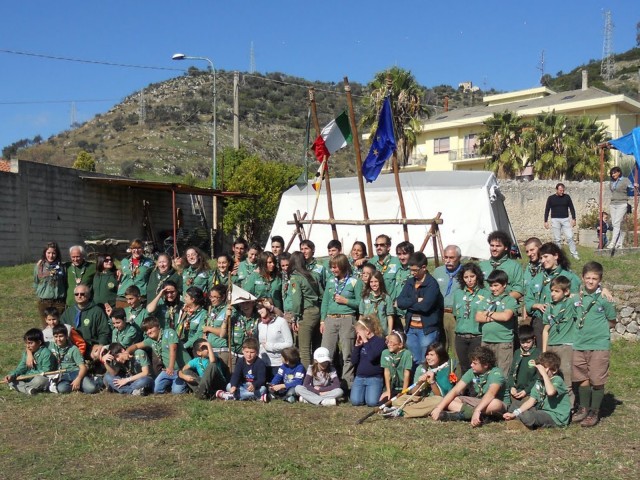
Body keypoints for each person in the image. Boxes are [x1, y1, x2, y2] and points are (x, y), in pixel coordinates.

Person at [571, 261, 616, 427]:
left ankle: (594, 411)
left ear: (600, 280)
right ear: (582, 278)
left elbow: (612, 320)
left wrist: (599, 333)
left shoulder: (605, 299)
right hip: (579, 344)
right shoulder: (576, 297)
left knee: (597, 378)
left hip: (598, 345)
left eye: (594, 278)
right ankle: (583, 408)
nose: (590, 281)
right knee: (581, 377)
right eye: (588, 278)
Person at [431, 346, 507, 427]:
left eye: (475, 363)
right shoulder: (472, 372)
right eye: (472, 362)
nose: (471, 365)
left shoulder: (496, 373)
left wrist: (477, 410)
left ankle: (464, 414)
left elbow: (491, 394)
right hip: (479, 402)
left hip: (493, 403)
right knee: (451, 400)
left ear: (485, 365)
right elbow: (456, 390)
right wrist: (439, 408)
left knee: (495, 404)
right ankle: (479, 415)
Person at [524, 242, 581, 348]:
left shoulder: (569, 276)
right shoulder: (537, 278)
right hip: (540, 322)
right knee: (544, 357)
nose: (543, 261)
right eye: (541, 258)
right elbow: (528, 301)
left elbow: (578, 296)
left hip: (562, 323)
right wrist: (537, 305)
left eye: (546, 256)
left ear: (556, 256)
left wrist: (603, 289)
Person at [320, 253, 363, 385]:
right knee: (326, 353)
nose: (333, 270)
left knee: (347, 355)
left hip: (347, 319)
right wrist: (322, 320)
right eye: (331, 268)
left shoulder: (355, 282)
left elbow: (360, 303)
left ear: (343, 266)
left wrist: (346, 301)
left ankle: (347, 385)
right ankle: (325, 382)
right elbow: (325, 302)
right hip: (330, 319)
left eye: (335, 267)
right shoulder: (330, 281)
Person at [396, 252, 443, 368]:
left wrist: (410, 302)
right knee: (414, 359)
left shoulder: (432, 284)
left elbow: (425, 306)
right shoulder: (410, 282)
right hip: (411, 328)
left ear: (424, 267)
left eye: (415, 270)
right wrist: (417, 300)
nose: (412, 273)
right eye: (411, 270)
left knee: (426, 360)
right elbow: (400, 302)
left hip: (427, 329)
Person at [503, 351, 570, 429]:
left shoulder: (558, 380)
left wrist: (544, 374)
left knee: (530, 415)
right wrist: (515, 413)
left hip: (555, 416)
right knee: (515, 405)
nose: (540, 372)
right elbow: (531, 401)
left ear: (554, 370)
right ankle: (520, 420)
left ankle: (524, 422)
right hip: (541, 410)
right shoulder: (539, 381)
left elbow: (551, 392)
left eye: (543, 368)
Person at [387, 342, 454, 418]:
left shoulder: (446, 369)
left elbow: (440, 396)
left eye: (432, 355)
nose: (428, 357)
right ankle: (416, 410)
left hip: (434, 400)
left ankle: (402, 412)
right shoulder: (421, 368)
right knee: (397, 400)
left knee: (439, 401)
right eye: (427, 355)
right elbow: (414, 394)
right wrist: (419, 382)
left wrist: (432, 382)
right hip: (422, 399)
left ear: (440, 356)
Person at [128, 316, 189, 394]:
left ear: (158, 326)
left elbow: (173, 349)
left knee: (177, 392)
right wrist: (127, 352)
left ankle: (185, 385)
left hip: (182, 369)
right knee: (156, 390)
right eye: (146, 330)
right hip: (168, 371)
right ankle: (171, 384)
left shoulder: (169, 332)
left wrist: (170, 366)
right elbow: (136, 346)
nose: (148, 331)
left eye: (150, 328)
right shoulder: (150, 340)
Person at [542, 275, 577, 408]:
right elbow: (545, 330)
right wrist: (544, 351)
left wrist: (603, 290)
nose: (553, 294)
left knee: (566, 378)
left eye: (557, 291)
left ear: (566, 292)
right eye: (552, 290)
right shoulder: (549, 307)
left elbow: (584, 294)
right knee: (549, 376)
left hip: (566, 346)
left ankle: (569, 408)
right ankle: (550, 406)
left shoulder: (570, 303)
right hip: (551, 346)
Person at [475, 270, 518, 377]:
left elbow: (506, 316)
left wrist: (488, 314)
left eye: (496, 285)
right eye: (491, 286)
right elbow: (478, 317)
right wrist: (496, 316)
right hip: (487, 341)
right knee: (485, 372)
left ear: (504, 285)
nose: (493, 289)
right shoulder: (486, 300)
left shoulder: (510, 300)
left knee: (502, 373)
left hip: (503, 342)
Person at [452, 263, 489, 375]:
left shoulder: (486, 293)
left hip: (477, 336)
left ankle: (475, 392)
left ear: (477, 276)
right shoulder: (458, 293)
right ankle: (465, 391)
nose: (469, 280)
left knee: (477, 367)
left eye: (472, 276)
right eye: (466, 277)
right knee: (463, 367)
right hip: (461, 337)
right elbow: (455, 314)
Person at [286, 251, 322, 368]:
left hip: (306, 313)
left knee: (304, 349)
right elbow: (321, 294)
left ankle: (306, 376)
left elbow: (297, 300)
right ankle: (319, 373)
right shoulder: (313, 275)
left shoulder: (295, 278)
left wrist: (294, 317)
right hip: (317, 310)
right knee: (317, 346)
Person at [60, 284, 111, 355]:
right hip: (72, 346)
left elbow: (104, 332)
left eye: (82, 294)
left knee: (96, 354)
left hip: (91, 346)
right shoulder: (69, 312)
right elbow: (60, 328)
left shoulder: (97, 311)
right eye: (76, 294)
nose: (79, 296)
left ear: (89, 295)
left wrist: (101, 345)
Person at [49, 324, 99, 394]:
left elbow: (83, 368)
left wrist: (78, 379)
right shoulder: (51, 345)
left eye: (61, 336)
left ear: (66, 336)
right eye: (56, 337)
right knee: (62, 389)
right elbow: (35, 341)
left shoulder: (74, 349)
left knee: (91, 389)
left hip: (75, 372)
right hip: (63, 375)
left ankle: (94, 380)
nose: (58, 339)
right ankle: (78, 385)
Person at [432, 245, 463, 359]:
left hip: (455, 315)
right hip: (439, 313)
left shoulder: (465, 273)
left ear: (459, 257)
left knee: (456, 350)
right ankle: (440, 374)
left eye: (452, 257)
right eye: (446, 257)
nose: (448, 261)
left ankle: (456, 375)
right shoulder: (438, 272)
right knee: (440, 348)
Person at [4, 328, 55, 395]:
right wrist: (12, 375)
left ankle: (23, 387)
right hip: (28, 378)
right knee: (11, 381)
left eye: (30, 343)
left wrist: (26, 375)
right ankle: (29, 390)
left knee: (40, 380)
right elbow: (21, 367)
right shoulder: (27, 354)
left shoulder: (46, 353)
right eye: (26, 343)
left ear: (39, 342)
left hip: (41, 378)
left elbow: (46, 371)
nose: (28, 346)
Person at [217, 338, 268, 402]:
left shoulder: (260, 363)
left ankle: (233, 396)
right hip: (242, 385)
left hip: (254, 387)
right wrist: (234, 385)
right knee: (229, 386)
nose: (249, 355)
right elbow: (236, 375)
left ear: (257, 352)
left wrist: (254, 385)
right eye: (246, 352)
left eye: (252, 352)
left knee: (263, 389)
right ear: (242, 351)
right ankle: (257, 396)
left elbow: (261, 379)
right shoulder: (240, 361)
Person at [350, 316, 386, 406]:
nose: (357, 334)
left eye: (358, 332)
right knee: (355, 401)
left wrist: (365, 341)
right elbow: (354, 361)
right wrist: (357, 346)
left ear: (367, 331)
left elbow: (372, 357)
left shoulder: (380, 341)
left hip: (374, 378)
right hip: (360, 377)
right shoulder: (361, 342)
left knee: (372, 402)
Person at [478, 231, 524, 300]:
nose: (494, 249)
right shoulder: (481, 266)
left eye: (498, 246)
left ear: (506, 247)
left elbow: (519, 290)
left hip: (505, 306)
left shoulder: (514, 267)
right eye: (492, 245)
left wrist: (501, 300)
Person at [506, 325, 540, 411]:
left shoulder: (538, 354)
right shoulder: (517, 353)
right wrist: (512, 387)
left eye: (528, 342)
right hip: (516, 392)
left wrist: (526, 391)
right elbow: (511, 372)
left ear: (534, 339)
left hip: (530, 393)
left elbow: (538, 377)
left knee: (524, 411)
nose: (525, 345)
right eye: (522, 342)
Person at [257, 297, 293, 377]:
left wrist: (271, 347)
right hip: (263, 364)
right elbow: (260, 344)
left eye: (261, 308)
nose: (259, 311)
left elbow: (289, 343)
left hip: (278, 363)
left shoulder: (281, 322)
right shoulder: (260, 324)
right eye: (258, 309)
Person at [544, 183, 580, 260]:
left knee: (570, 237)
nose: (562, 192)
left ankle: (574, 254)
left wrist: (574, 219)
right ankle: (559, 256)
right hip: (555, 220)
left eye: (563, 190)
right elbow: (547, 210)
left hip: (565, 219)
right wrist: (545, 221)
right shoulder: (551, 198)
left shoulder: (567, 197)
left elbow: (572, 208)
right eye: (560, 190)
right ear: (556, 190)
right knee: (557, 239)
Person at [33, 241, 66, 320]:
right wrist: (39, 292)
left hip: (59, 302)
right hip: (44, 302)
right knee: (47, 328)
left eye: (53, 253)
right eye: (48, 253)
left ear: (57, 254)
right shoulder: (39, 266)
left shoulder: (62, 267)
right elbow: (36, 282)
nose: (51, 256)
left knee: (58, 328)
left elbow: (65, 282)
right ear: (45, 253)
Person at [116, 239, 154, 308]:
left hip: (140, 296)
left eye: (139, 248)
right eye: (134, 248)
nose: (136, 251)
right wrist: (118, 270)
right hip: (124, 296)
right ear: (130, 249)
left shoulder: (149, 263)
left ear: (143, 249)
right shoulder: (124, 261)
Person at [380, 330, 413, 401]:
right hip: (392, 388)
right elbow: (387, 372)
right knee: (383, 403)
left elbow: (406, 374)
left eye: (391, 342)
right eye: (388, 342)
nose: (388, 344)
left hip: (403, 387)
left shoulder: (407, 354)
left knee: (400, 403)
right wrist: (388, 391)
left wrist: (403, 393)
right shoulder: (385, 353)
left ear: (400, 345)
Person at [607, 166, 635, 249]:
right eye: (612, 173)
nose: (613, 174)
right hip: (613, 204)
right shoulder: (612, 182)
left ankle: (613, 242)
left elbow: (632, 187)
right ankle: (619, 243)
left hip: (622, 204)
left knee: (616, 223)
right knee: (614, 223)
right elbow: (612, 191)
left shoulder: (625, 180)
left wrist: (635, 185)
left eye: (614, 172)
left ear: (619, 172)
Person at [359, 270, 394, 335]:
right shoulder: (365, 297)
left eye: (376, 281)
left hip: (382, 332)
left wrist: (389, 333)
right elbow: (361, 315)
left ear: (380, 282)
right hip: (367, 331)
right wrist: (360, 331)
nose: (373, 284)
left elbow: (389, 317)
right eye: (371, 282)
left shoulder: (386, 298)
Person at [176, 286, 207, 352]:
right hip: (182, 344)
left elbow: (199, 334)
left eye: (186, 296)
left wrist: (185, 346)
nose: (184, 298)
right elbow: (178, 327)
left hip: (194, 348)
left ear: (193, 299)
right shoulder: (185, 311)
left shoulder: (203, 314)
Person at [392, 241, 414, 330]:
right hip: (396, 313)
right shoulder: (397, 269)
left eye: (405, 254)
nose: (401, 257)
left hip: (408, 313)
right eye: (399, 254)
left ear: (411, 254)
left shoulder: (414, 271)